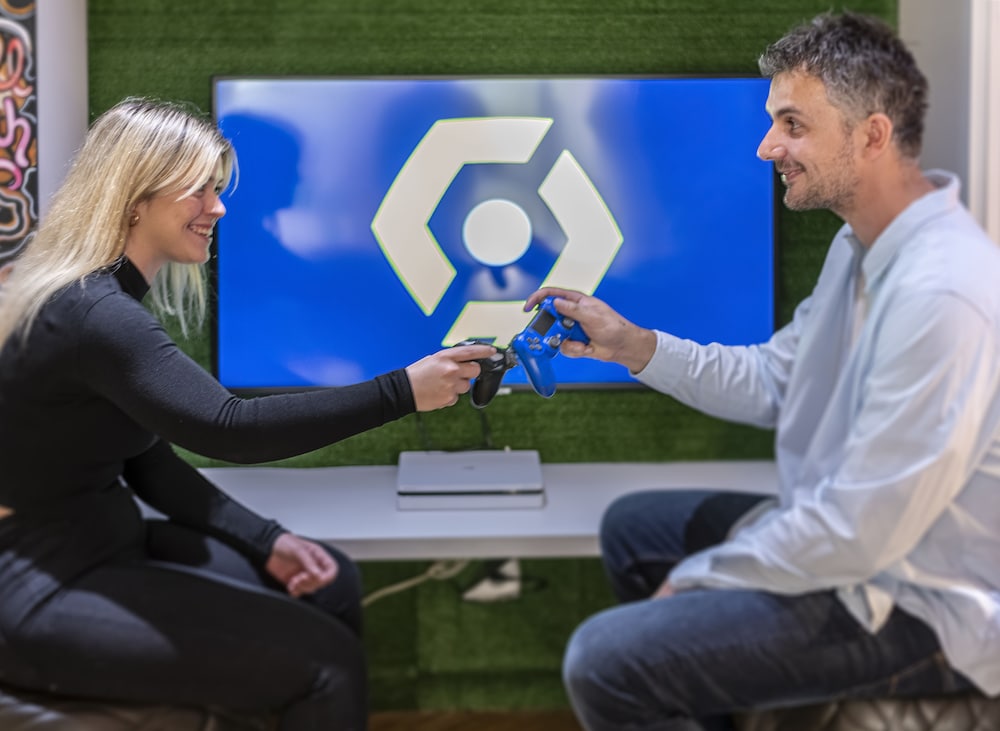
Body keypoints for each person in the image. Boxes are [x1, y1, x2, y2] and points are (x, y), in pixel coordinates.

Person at [525, 11, 1000, 731]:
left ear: (872, 135)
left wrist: (701, 579)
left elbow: (861, 533)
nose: (766, 146)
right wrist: (631, 345)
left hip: (914, 599)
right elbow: (777, 379)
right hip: (861, 547)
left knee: (603, 661)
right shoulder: (862, 247)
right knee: (633, 528)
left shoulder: (942, 295)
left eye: (792, 125)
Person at [0, 97, 496, 730]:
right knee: (329, 666)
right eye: (199, 190)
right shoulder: (96, 315)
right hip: (40, 587)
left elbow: (148, 460)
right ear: (134, 197)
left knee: (332, 583)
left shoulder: (97, 301)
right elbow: (228, 428)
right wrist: (401, 392)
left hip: (102, 545)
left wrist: (268, 541)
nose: (219, 208)